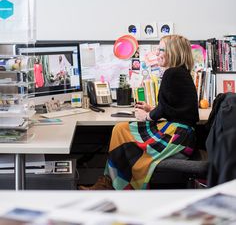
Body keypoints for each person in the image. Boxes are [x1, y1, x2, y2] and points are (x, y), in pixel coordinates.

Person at [79, 34, 199, 190]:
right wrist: (152, 109)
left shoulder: (173, 73)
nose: (156, 53)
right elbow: (174, 107)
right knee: (121, 130)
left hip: (177, 136)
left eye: (161, 49)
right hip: (182, 135)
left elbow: (170, 109)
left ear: (173, 52)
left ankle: (113, 184)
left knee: (121, 131)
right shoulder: (180, 73)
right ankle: (109, 182)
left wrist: (148, 116)